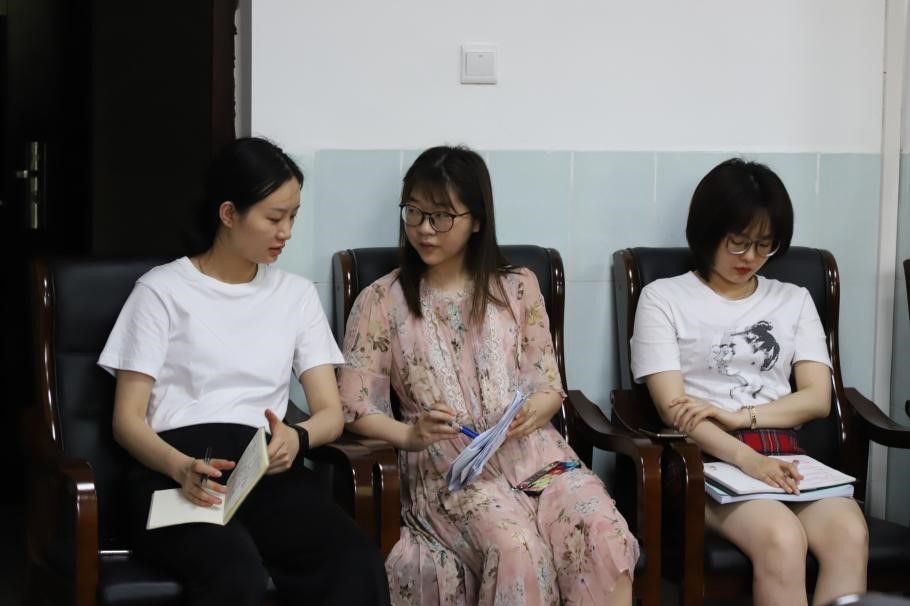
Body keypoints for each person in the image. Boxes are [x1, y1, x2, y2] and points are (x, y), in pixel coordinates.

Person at [338, 145, 638, 606]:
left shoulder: (518, 286)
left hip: (536, 458)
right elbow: (355, 407)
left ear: (476, 220)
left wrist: (537, 408)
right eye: (413, 212)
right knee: (517, 548)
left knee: (602, 529)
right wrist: (409, 434)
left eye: (441, 216)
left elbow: (547, 383)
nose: (424, 228)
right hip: (452, 472)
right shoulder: (381, 300)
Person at [98, 137, 390, 606]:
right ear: (229, 214)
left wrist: (298, 438)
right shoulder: (160, 291)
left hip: (263, 472)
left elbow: (330, 414)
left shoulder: (295, 295)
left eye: (293, 216)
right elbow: (126, 420)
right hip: (175, 474)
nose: (286, 232)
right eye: (274, 218)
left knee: (355, 561)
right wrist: (179, 466)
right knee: (234, 572)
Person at [631, 158, 868, 606]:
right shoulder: (663, 298)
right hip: (703, 460)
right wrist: (747, 458)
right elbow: (673, 409)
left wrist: (741, 416)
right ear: (707, 232)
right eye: (738, 242)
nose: (751, 258)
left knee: (850, 533)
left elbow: (817, 398)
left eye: (764, 245)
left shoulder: (793, 300)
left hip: (784, 454)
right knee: (782, 537)